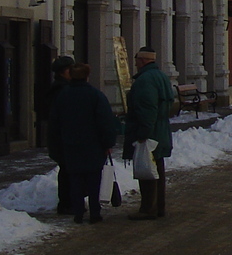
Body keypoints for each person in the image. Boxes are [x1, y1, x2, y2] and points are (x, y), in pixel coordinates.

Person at [49, 63, 120, 223]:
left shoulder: (63, 96)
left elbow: (54, 123)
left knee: (75, 179)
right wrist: (108, 143)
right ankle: (95, 212)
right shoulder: (96, 95)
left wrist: (55, 146)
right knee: (94, 179)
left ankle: (78, 212)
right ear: (87, 76)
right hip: (93, 146)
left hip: (71, 145)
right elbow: (105, 122)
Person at [123, 48, 174, 219]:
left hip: (150, 132)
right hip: (160, 130)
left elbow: (147, 109)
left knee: (147, 171)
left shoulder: (145, 80)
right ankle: (159, 207)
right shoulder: (161, 76)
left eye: (137, 59)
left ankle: (148, 208)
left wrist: (143, 133)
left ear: (144, 60)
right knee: (156, 169)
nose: (135, 62)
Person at [43, 55, 75, 213]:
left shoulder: (61, 88)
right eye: (71, 69)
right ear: (64, 72)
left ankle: (67, 202)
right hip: (62, 137)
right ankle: (66, 203)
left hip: (61, 137)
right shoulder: (62, 90)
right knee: (67, 170)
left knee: (67, 169)